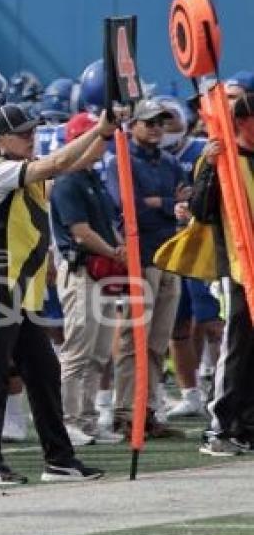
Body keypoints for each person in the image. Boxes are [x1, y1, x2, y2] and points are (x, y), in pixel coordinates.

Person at [0, 103, 111, 484]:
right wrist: (97, 132)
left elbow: (74, 162)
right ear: (1, 139)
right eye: (24, 133)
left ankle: (59, 459)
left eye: (33, 131)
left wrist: (106, 133)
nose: (32, 138)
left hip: (13, 286)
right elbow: (58, 165)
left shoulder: (16, 169)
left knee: (44, 371)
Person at [158, 91, 254, 455]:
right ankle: (222, 426)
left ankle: (247, 424)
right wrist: (212, 168)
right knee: (236, 343)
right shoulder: (220, 159)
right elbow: (201, 209)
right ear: (243, 122)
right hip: (237, 265)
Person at [106, 99, 188, 438]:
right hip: (141, 258)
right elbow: (130, 209)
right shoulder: (120, 162)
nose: (155, 127)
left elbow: (186, 201)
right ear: (134, 125)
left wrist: (163, 204)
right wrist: (171, 206)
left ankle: (149, 408)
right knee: (131, 338)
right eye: (149, 122)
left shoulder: (170, 162)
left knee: (157, 342)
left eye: (160, 122)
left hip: (169, 255)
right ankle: (126, 411)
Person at [50, 112, 125, 447]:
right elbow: (80, 233)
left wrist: (116, 246)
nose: (104, 145)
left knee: (97, 352)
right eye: (100, 138)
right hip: (82, 269)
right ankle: (68, 420)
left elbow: (105, 224)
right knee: (78, 351)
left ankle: (88, 418)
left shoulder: (91, 179)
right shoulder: (68, 181)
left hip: (101, 269)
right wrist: (115, 250)